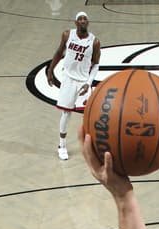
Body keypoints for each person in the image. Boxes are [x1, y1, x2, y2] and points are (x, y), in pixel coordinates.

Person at [46, 10, 100, 160]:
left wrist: (88, 83)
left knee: (89, 114)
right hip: (69, 79)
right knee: (66, 113)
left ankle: (92, 145)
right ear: (76, 22)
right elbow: (59, 53)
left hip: (83, 82)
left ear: (87, 22)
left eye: (85, 19)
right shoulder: (67, 35)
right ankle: (62, 145)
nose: (82, 21)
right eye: (80, 19)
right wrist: (50, 70)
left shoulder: (94, 42)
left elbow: (96, 65)